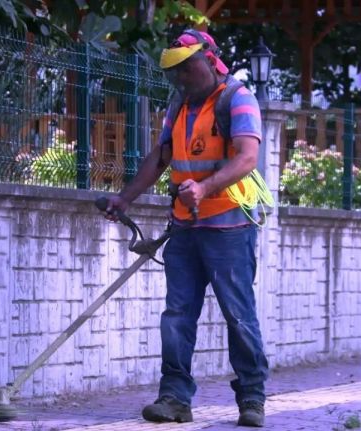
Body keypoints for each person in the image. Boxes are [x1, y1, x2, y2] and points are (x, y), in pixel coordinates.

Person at [99, 29, 269, 427]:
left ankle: (252, 399)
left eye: (188, 68)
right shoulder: (178, 106)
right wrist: (124, 199)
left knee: (239, 315)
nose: (182, 78)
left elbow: (247, 158)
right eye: (175, 71)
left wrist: (206, 187)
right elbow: (160, 158)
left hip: (229, 227)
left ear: (210, 60)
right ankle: (174, 399)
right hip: (186, 229)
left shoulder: (238, 99)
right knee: (177, 315)